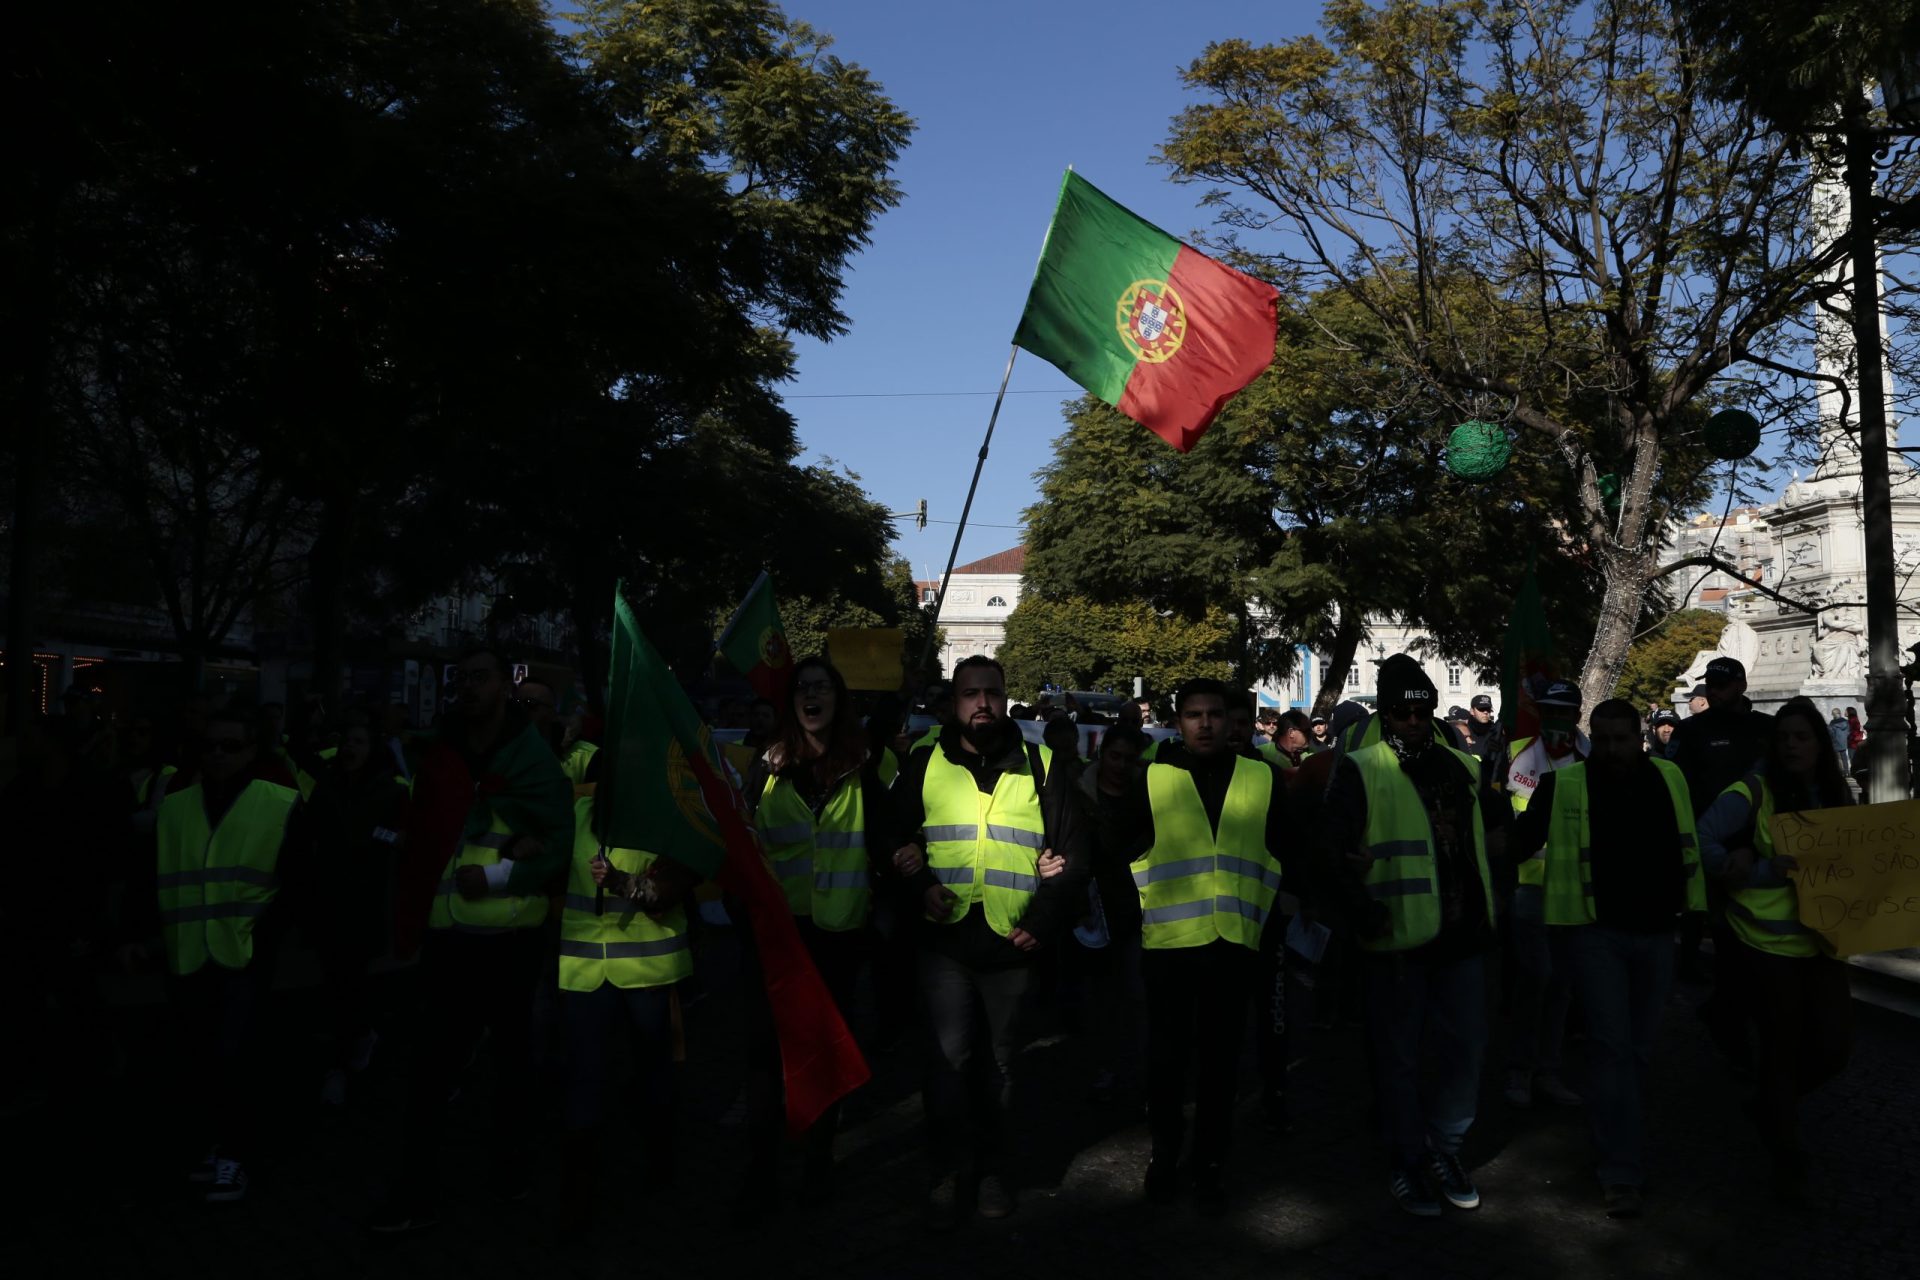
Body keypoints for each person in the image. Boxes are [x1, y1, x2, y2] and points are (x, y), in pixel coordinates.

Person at [373, 643, 573, 1233]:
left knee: (512, 1065)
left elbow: (558, 844)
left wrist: (503, 872)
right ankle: (416, 1185)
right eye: (460, 679)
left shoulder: (533, 763)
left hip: (511, 941)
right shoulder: (441, 754)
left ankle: (510, 1167)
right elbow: (426, 828)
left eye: (479, 677)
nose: (468, 687)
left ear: (501, 688)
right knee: (431, 1068)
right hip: (448, 940)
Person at [889, 655, 1087, 1229]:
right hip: (945, 940)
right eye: (970, 693)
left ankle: (994, 1168)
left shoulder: (1041, 761)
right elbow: (891, 833)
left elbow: (1073, 852)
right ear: (954, 702)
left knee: (1000, 1067)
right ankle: (950, 1166)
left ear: (1005, 698)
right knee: (949, 1061)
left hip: (1012, 939)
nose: (982, 704)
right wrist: (919, 881)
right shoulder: (925, 758)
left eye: (992, 693)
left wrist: (1044, 922)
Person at [1510, 699, 1706, 1217]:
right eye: (1606, 739)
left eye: (1624, 739)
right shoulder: (1565, 784)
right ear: (1592, 737)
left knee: (1637, 1050)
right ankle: (1621, 1168)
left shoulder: (1670, 778)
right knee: (1613, 1048)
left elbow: (1690, 843)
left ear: (1640, 735)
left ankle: (1622, 1135)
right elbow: (1518, 841)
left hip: (1659, 932)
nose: (1615, 749)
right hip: (1595, 933)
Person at [1326, 655, 1500, 1218]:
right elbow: (1330, 852)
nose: (1412, 720)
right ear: (1386, 712)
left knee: (1465, 1049)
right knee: (1398, 1057)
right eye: (1400, 711)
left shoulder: (1461, 766)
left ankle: (1444, 1149)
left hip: (1463, 934)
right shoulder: (1361, 767)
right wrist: (1359, 908)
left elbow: (1492, 836)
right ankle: (1406, 1159)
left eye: (1421, 710)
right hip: (1396, 936)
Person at [1105, 678, 1289, 1207]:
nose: (1206, 724)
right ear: (1178, 721)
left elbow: (1287, 853)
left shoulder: (1264, 778)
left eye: (1215, 714)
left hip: (1235, 945)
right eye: (1193, 715)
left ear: (1233, 720)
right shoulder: (1151, 779)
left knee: (1221, 1065)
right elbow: (1119, 859)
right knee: (1166, 1063)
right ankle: (1165, 1155)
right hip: (1168, 946)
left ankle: (1210, 1163)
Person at [741, 656, 897, 1206]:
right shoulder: (766, 764)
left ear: (838, 699)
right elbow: (743, 839)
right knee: (768, 1055)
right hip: (780, 935)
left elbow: (885, 831)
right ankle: (761, 1169)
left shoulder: (864, 762)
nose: (812, 696)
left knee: (827, 1049)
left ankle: (818, 1160)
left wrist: (903, 858)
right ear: (790, 702)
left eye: (822, 687)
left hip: (839, 934)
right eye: (803, 688)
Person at [130, 707, 303, 1203]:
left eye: (231, 746)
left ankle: (235, 1155)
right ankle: (213, 1148)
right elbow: (151, 877)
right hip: (186, 954)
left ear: (252, 751)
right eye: (210, 745)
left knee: (234, 1059)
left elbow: (299, 883)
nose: (218, 754)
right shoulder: (176, 807)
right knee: (200, 1060)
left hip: (242, 953)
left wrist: (267, 936)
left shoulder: (281, 803)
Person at [1697, 697, 1852, 1199]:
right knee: (1782, 1051)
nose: (1791, 745)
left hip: (1823, 947)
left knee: (1832, 1049)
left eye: (1801, 737)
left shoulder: (1835, 794)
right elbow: (1701, 837)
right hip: (1765, 946)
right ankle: (1786, 1159)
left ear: (1819, 745)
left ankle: (1769, 1103)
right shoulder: (1754, 789)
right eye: (1784, 737)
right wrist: (1750, 867)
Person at [558, 777, 697, 1200]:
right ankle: (579, 1185)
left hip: (647, 975)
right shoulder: (575, 816)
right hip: (585, 973)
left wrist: (622, 882)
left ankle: (659, 1166)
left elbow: (668, 889)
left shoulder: (667, 818)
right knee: (584, 1077)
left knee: (653, 1076)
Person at [298, 714, 408, 1107]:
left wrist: (371, 841)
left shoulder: (391, 791)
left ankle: (344, 1061)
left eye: (359, 742)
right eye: (347, 741)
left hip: (365, 899)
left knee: (350, 980)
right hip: (328, 898)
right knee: (337, 979)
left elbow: (398, 837)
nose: (349, 749)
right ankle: (355, 1042)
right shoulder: (327, 786)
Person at [1669, 656, 1774, 1031]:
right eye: (1710, 683)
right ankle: (1723, 1001)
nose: (1713, 691)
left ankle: (1732, 1004)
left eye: (1722, 685)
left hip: (1761, 843)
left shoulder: (1768, 729)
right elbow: (1676, 784)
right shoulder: (1691, 731)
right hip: (1708, 842)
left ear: (1741, 686)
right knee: (1719, 925)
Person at [1501, 679, 1586, 1110]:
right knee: (1535, 978)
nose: (1555, 718)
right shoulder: (1516, 753)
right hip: (1528, 885)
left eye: (1563, 711)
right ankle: (1518, 1069)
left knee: (1562, 984)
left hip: (1574, 890)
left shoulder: (1591, 757)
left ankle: (1547, 1070)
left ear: (1576, 714)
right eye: (1547, 710)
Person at [1827, 708, 1851, 774]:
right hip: (1843, 742)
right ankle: (1847, 772)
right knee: (1844, 758)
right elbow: (1849, 732)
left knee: (1836, 758)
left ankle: (1838, 772)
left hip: (1835, 742)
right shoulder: (1846, 721)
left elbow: (1830, 733)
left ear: (1834, 714)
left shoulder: (1832, 723)